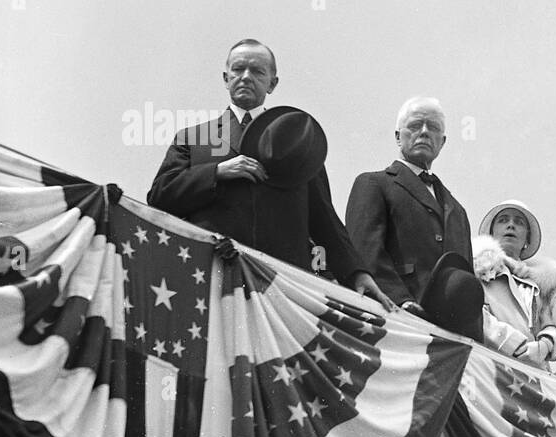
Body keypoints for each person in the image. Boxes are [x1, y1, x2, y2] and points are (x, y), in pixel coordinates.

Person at [147, 38, 392, 308]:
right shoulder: (194, 138)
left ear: (272, 83)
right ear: (225, 78)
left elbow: (325, 221)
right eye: (238, 69)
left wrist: (356, 273)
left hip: (283, 288)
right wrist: (216, 172)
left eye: (257, 71)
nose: (246, 77)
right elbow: (160, 195)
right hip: (211, 281)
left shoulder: (299, 144)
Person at [345, 97, 473, 313]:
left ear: (442, 141)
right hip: (394, 316)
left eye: (433, 127)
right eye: (415, 126)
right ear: (397, 136)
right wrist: (400, 299)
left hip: (453, 333)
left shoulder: (458, 211)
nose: (424, 132)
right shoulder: (373, 184)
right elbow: (365, 251)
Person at [471, 200, 556, 367]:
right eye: (503, 220)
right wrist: (513, 343)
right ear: (491, 233)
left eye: (519, 222)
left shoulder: (541, 282)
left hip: (534, 377)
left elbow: (551, 325)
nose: (511, 225)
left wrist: (546, 345)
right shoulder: (474, 266)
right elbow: (469, 311)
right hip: (486, 366)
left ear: (527, 238)